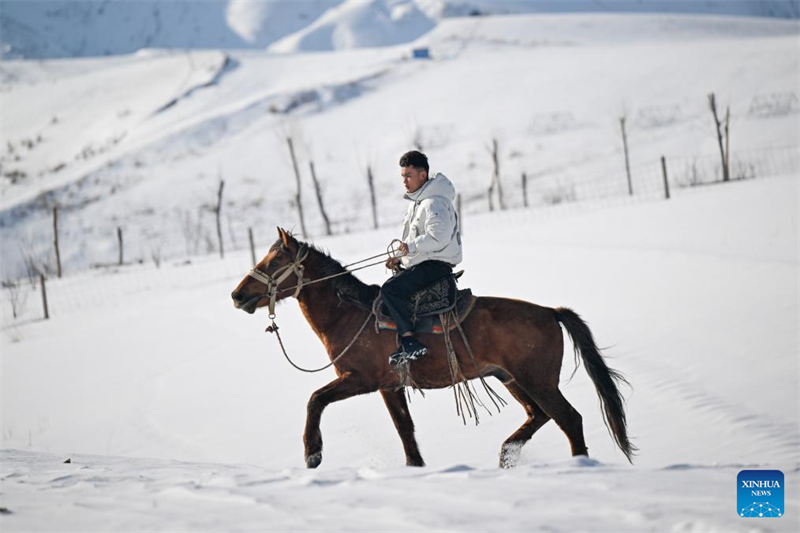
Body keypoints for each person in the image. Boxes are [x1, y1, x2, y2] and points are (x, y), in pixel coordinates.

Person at [381, 150, 462, 367]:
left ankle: (410, 341)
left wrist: (409, 247)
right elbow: (419, 242)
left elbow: (438, 238)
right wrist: (400, 258)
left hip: (435, 266)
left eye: (408, 175)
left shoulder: (432, 202)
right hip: (426, 262)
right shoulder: (418, 203)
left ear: (422, 175)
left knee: (390, 290)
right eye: (403, 177)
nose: (405, 181)